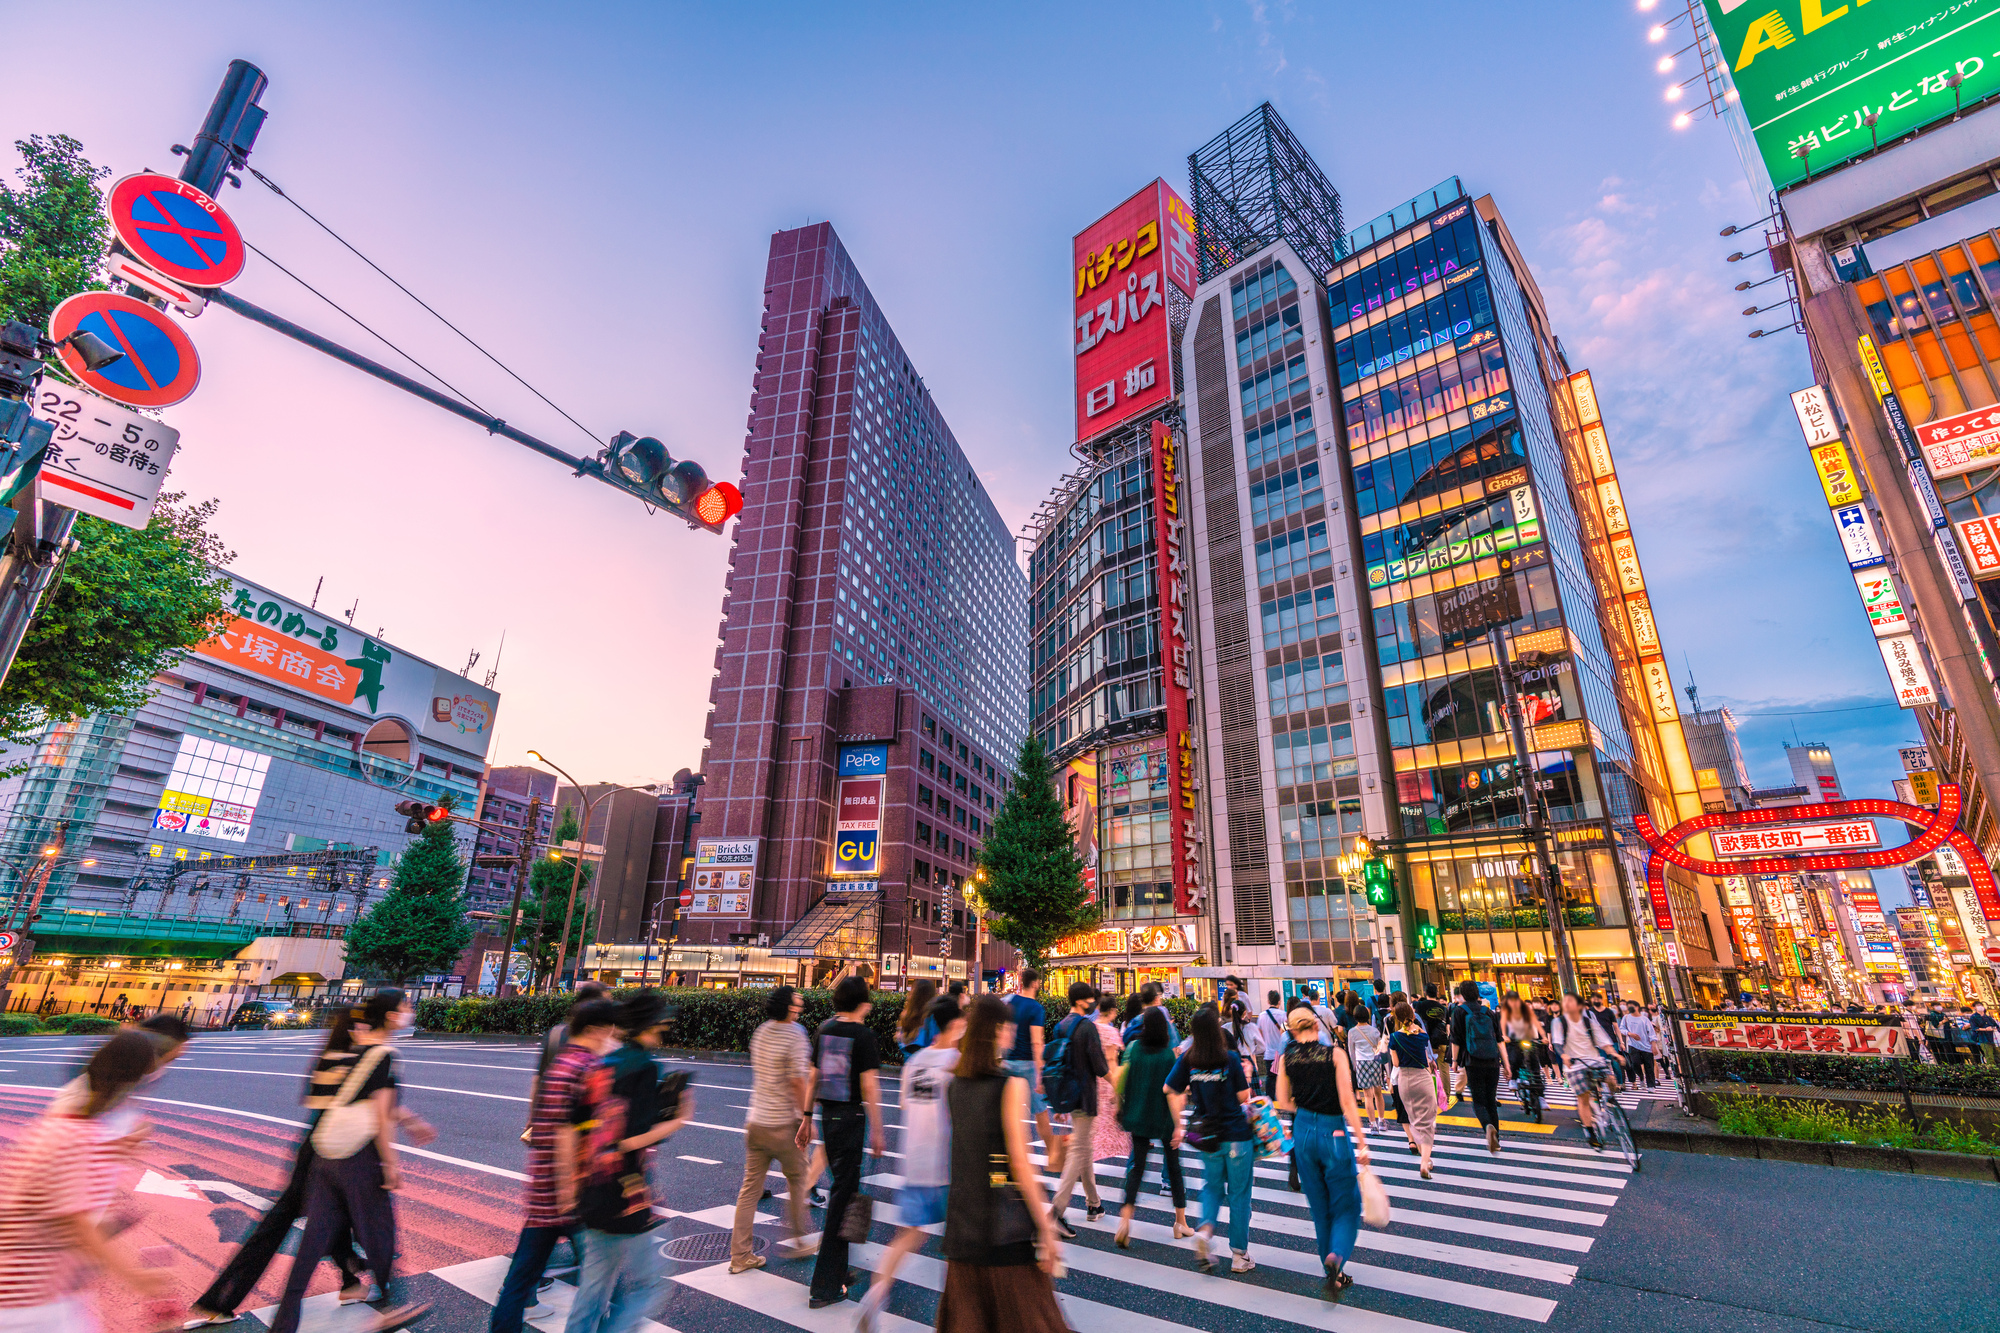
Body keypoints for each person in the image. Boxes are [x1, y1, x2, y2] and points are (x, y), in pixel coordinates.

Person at [269, 989, 430, 1333]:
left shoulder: (358, 1049)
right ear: (390, 1015)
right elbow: (381, 1114)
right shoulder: (386, 1053)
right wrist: (391, 1165)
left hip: (326, 1153)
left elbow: (349, 1098)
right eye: (405, 1006)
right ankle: (389, 1308)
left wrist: (412, 1121)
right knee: (380, 1232)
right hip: (358, 1157)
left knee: (312, 1244)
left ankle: (284, 1324)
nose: (409, 1011)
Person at [0, 1031, 171, 1331]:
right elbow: (76, 1223)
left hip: (37, 1287)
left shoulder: (58, 1127)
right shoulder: (80, 1138)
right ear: (131, 1083)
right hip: (28, 1295)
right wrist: (135, 1276)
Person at [566, 990, 693, 1333]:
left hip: (590, 1186)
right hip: (628, 1194)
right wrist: (678, 1116)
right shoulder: (645, 1067)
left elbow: (578, 1124)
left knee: (594, 1288)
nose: (663, 1030)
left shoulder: (601, 1064)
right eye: (661, 1024)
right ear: (649, 1026)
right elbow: (632, 1138)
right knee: (651, 1285)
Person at [936, 994, 1064, 1333]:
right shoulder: (1010, 1085)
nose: (1011, 1033)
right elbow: (1019, 1164)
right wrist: (1047, 1226)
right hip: (1003, 1228)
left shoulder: (954, 1085)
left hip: (963, 1225)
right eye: (1008, 1027)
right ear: (996, 1030)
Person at [490, 998, 618, 1333]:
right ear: (596, 1030)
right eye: (609, 1030)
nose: (611, 1036)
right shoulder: (588, 1068)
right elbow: (573, 1134)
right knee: (606, 1277)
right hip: (575, 1192)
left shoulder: (560, 1063)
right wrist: (570, 1193)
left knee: (521, 1278)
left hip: (543, 1189)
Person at [858, 995, 964, 1331]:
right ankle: (952, 1318)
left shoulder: (914, 1062)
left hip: (914, 1163)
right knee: (957, 1244)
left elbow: (906, 1106)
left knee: (908, 1236)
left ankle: (875, 1294)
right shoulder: (958, 1063)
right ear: (957, 1025)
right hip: (947, 1165)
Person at [1275, 1005, 1370, 1300]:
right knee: (1346, 1205)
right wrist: (1362, 1142)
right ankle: (1336, 1257)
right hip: (1334, 1131)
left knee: (1319, 1207)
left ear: (1292, 1030)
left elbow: (1281, 1100)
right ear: (1317, 1026)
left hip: (1303, 1131)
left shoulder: (1286, 1057)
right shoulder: (1335, 1055)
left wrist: (1304, 1112)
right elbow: (1347, 1101)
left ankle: (1332, 1271)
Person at [807, 974, 884, 1309]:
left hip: (827, 1117)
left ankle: (838, 1272)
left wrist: (806, 1117)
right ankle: (823, 1286)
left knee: (843, 1191)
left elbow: (814, 1076)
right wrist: (879, 1129)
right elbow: (869, 1087)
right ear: (861, 1002)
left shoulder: (823, 1030)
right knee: (841, 1198)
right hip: (851, 1118)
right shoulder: (863, 1035)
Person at [729, 987, 816, 1276]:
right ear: (789, 1007)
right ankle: (799, 1240)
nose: (800, 1003)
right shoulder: (795, 1034)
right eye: (797, 1000)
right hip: (783, 1124)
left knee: (750, 1190)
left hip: (756, 1122)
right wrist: (806, 1117)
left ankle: (740, 1256)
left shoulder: (761, 1032)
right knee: (798, 1178)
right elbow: (796, 1082)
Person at [1166, 1007, 1256, 1274]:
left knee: (1212, 1188)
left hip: (1208, 1136)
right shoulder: (1229, 1058)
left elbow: (1168, 1088)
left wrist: (1179, 1124)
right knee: (1239, 1195)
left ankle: (1205, 1233)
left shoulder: (1189, 1059)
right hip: (1236, 1136)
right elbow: (1243, 1097)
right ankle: (1239, 1256)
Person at [1112, 1006, 1188, 1246]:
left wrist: (1119, 1104)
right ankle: (1180, 1222)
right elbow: (1173, 1093)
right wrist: (1178, 1124)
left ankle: (1125, 1220)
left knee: (1137, 1167)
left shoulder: (1134, 1049)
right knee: (1174, 1167)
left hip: (1138, 1115)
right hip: (1163, 1117)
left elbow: (1120, 1079)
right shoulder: (1168, 1055)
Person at [1046, 982, 1110, 1235]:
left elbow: (1055, 1064)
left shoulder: (1060, 1026)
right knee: (1078, 1150)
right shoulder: (1087, 1028)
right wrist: (1119, 1089)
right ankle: (1056, 1211)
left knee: (1083, 1147)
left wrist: (1059, 1102)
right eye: (1091, 999)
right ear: (1083, 1001)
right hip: (1085, 1096)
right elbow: (1101, 1067)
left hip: (1068, 1096)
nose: (1094, 1003)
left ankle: (1094, 1204)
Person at [524, 982, 610, 1138]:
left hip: (550, 1119)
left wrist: (533, 1116)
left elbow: (539, 1079)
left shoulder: (556, 1033)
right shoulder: (599, 1040)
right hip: (580, 1130)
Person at [1550, 993, 1622, 1152]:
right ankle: (1590, 1132)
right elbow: (1557, 1042)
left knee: (1611, 1079)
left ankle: (1610, 1103)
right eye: (1565, 1002)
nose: (1568, 1005)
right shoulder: (1559, 1022)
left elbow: (1604, 1043)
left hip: (1594, 1060)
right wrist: (1563, 1055)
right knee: (1583, 1096)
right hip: (1574, 1064)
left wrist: (1615, 1054)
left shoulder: (1589, 1022)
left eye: (1571, 1002)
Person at [1000, 968, 1055, 1173]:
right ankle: (1052, 1156)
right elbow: (1037, 1042)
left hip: (1008, 1063)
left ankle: (1009, 1156)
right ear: (1035, 983)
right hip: (1028, 1065)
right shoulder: (1036, 1008)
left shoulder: (1010, 1002)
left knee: (1008, 1112)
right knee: (1040, 1112)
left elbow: (1004, 1031)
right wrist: (1041, 1073)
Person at [1448, 980, 1507, 1154]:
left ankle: (1487, 1126)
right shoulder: (1488, 1012)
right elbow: (1499, 1040)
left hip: (1472, 1061)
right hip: (1492, 1061)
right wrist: (1507, 1065)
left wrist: (1455, 1061)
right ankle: (1497, 1138)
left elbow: (1456, 1040)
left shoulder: (1459, 1011)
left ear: (1462, 994)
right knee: (1491, 1100)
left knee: (1478, 1101)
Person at [1385, 1000, 1437, 1177]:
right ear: (1413, 1015)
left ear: (1396, 1018)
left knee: (1414, 1120)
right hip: (1422, 1078)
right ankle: (1424, 1162)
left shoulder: (1395, 1038)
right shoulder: (1422, 1036)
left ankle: (1425, 1158)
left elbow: (1396, 1063)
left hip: (1405, 1080)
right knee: (1428, 1122)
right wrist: (1415, 1026)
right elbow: (1425, 1055)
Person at [1090, 994, 1131, 1164]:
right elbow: (1112, 1061)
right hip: (1106, 1081)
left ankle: (1085, 1157)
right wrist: (1116, 1088)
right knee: (1108, 1122)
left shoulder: (1090, 1028)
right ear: (1112, 1011)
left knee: (1093, 1123)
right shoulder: (1110, 1032)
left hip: (1092, 1080)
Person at [1344, 1001, 1386, 1131]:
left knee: (1368, 1096)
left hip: (1361, 1063)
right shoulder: (1374, 1031)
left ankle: (1373, 1125)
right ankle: (1382, 1121)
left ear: (1355, 1016)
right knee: (1378, 1093)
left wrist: (1354, 1066)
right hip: (1374, 1062)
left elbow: (1351, 1051)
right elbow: (1380, 1048)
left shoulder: (1352, 1032)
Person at [1253, 991, 1288, 1096]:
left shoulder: (1262, 1016)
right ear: (1280, 1001)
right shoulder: (1284, 1015)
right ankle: (1283, 1099)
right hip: (1282, 1053)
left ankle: (1271, 1101)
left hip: (1269, 1053)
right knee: (1284, 1077)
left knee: (1270, 1078)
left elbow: (1260, 1035)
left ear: (1268, 1001)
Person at [1123, 982, 1180, 1046]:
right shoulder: (1162, 1015)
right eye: (1159, 996)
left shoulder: (1135, 1021)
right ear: (1156, 999)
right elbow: (1174, 1041)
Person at [895, 980, 940, 1060]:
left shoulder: (907, 1016)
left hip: (910, 1066)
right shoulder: (932, 1018)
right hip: (927, 1067)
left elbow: (903, 1043)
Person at [1618, 1002, 1659, 1089]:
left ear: (1637, 1007)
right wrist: (1630, 1034)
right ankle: (1641, 1077)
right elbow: (1621, 1029)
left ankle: (1651, 1086)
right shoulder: (1626, 1018)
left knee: (1649, 1066)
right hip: (1633, 1045)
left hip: (1646, 1046)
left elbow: (1651, 1033)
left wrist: (1654, 1045)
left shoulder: (1644, 1019)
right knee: (1635, 1063)